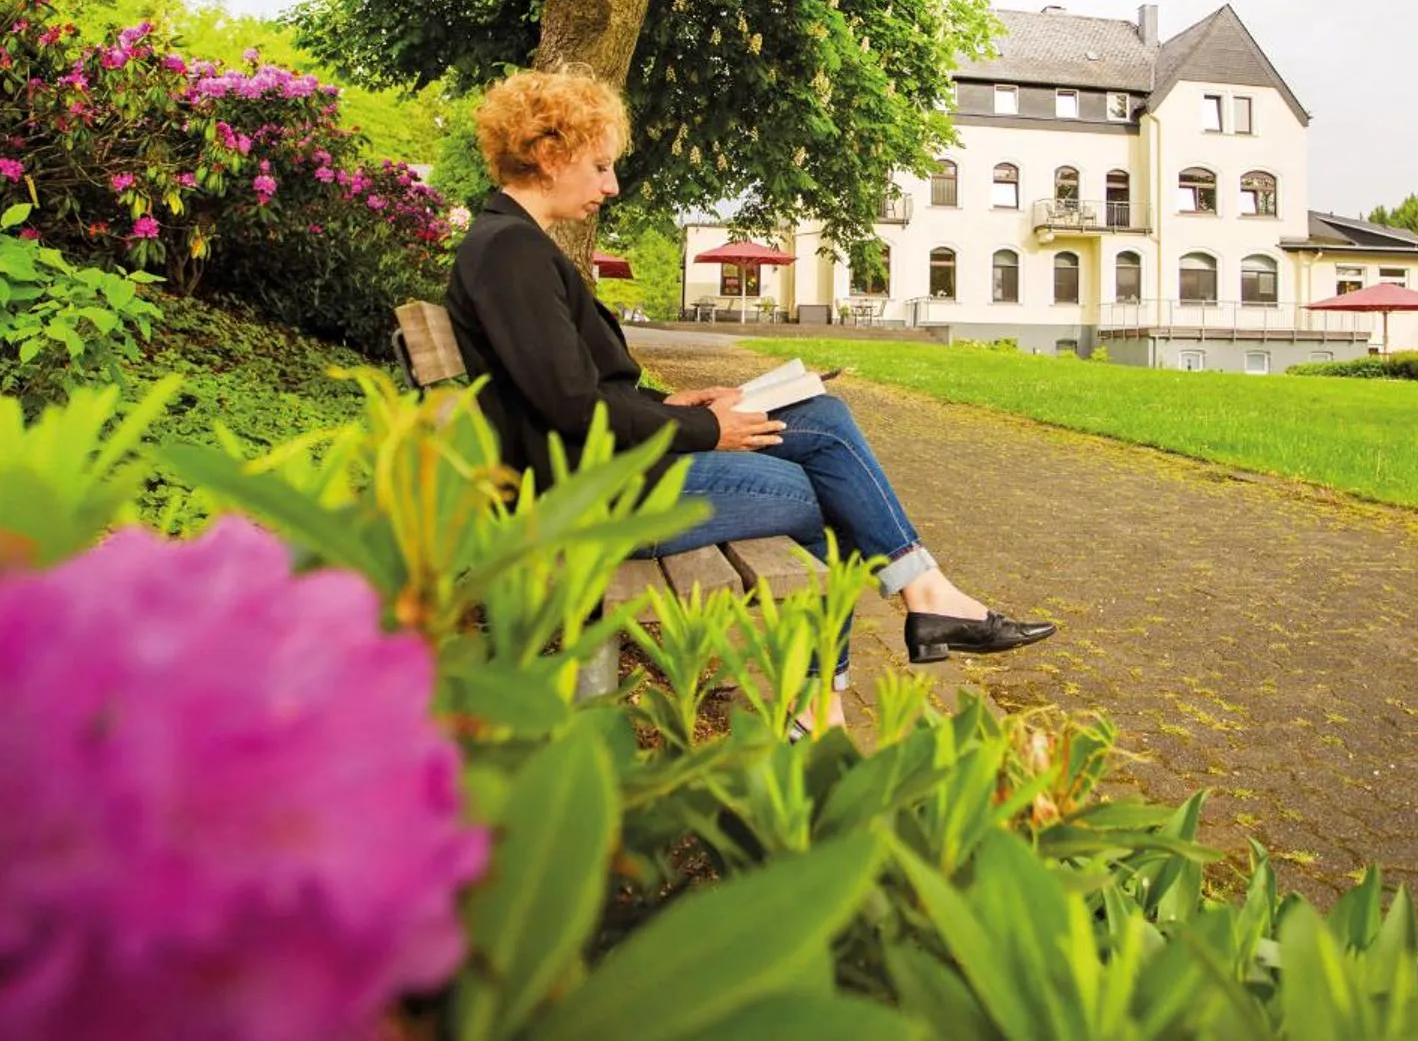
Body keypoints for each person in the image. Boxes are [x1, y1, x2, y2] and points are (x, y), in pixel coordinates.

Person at [445, 66, 1055, 728]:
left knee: (821, 414)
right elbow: (570, 407)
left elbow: (573, 388)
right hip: (592, 501)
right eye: (599, 167)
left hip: (602, 473)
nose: (611, 186)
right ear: (547, 153)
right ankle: (851, 670)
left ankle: (888, 631)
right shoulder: (510, 252)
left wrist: (674, 404)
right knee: (824, 488)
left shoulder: (513, 246)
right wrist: (712, 432)